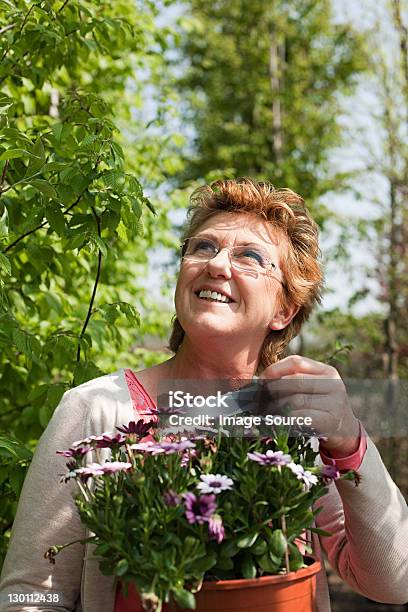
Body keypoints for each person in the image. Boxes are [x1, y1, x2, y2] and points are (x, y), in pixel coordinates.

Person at [1, 178, 408, 612]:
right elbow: (27, 594)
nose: (217, 265)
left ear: (284, 311)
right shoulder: (95, 409)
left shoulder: (296, 421)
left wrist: (349, 444)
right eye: (203, 247)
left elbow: (393, 583)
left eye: (249, 256)